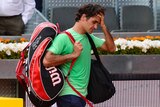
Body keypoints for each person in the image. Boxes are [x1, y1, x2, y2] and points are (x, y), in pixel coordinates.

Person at [43, 3, 116, 107]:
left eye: (98, 24)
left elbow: (111, 48)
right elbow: (47, 61)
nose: (95, 27)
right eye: (94, 22)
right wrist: (73, 55)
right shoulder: (64, 38)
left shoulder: (89, 37)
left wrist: (103, 26)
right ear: (83, 17)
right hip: (68, 95)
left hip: (80, 96)